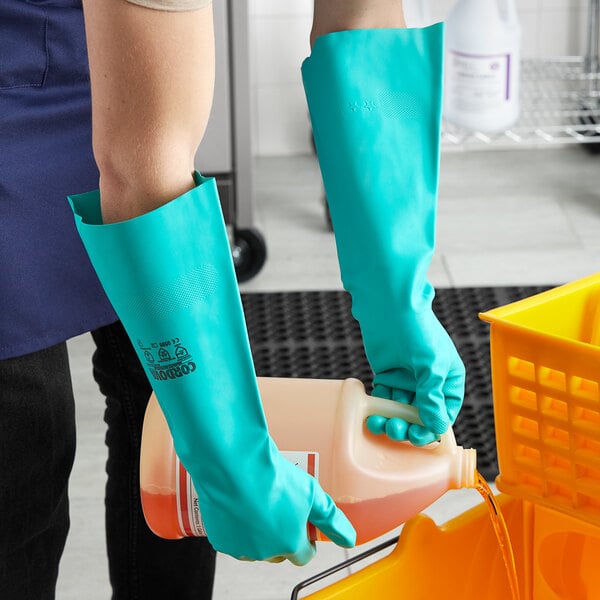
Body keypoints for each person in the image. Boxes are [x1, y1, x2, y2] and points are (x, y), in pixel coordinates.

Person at [72, 0, 465, 565]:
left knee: (175, 414)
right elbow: (143, 162)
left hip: (138, 55)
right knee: (30, 435)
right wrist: (230, 462)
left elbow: (363, 22)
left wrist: (399, 301)